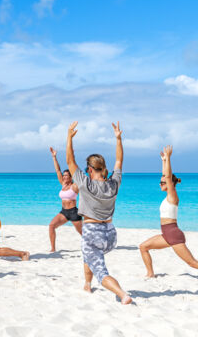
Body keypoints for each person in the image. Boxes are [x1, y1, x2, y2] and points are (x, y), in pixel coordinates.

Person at [139, 146, 198, 282]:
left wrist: (168, 159)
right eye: (160, 182)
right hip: (166, 234)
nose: (160, 184)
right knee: (143, 247)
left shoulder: (173, 196)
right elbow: (166, 176)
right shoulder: (167, 197)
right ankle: (150, 273)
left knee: (192, 263)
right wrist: (163, 160)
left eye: (162, 182)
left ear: (170, 184)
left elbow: (168, 176)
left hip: (173, 234)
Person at [66, 121, 132, 304]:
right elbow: (119, 161)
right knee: (89, 256)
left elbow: (70, 161)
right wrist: (119, 139)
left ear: (89, 169)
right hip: (111, 235)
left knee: (101, 271)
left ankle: (122, 294)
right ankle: (87, 284)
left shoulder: (85, 184)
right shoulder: (114, 184)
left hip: (92, 232)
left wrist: (69, 138)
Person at [48, 147, 82, 252]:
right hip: (63, 212)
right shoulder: (63, 184)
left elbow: (76, 171)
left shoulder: (75, 186)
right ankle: (53, 249)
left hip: (74, 212)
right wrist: (54, 157)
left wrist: (72, 157)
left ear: (71, 177)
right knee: (51, 226)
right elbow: (57, 170)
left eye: (67, 176)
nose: (64, 177)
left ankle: (94, 246)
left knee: (83, 233)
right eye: (64, 175)